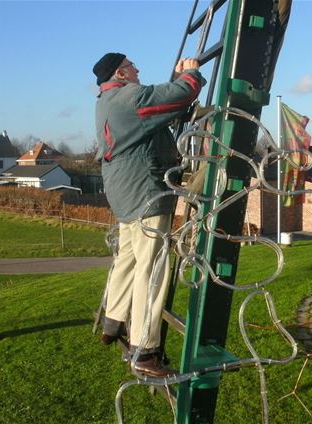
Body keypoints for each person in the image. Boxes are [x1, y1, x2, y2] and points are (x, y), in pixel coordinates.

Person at [92, 52, 206, 377]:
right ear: (121, 73)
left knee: (128, 256)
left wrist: (180, 87)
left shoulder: (107, 100)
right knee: (153, 266)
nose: (138, 68)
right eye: (132, 65)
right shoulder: (129, 98)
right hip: (145, 194)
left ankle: (113, 320)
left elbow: (162, 108)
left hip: (124, 193)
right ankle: (144, 350)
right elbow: (180, 94)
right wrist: (191, 74)